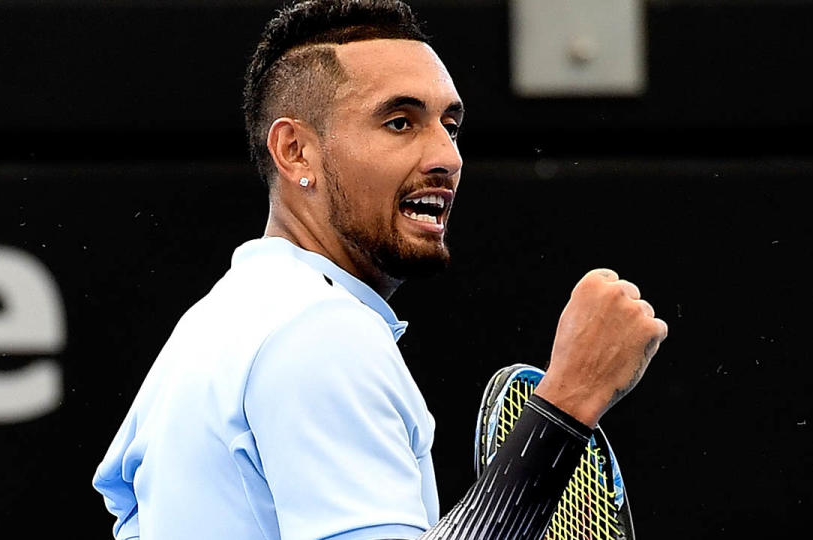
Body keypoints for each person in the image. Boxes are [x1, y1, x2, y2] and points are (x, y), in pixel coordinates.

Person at [92, 1, 668, 539]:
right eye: (400, 122)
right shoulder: (319, 332)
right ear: (295, 152)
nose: (447, 157)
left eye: (450, 124)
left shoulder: (211, 326)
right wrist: (567, 402)